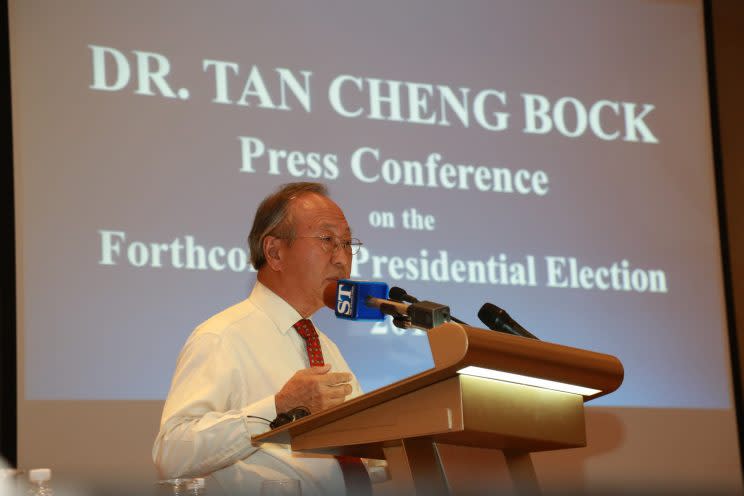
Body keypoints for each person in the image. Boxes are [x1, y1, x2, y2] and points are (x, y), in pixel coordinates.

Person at [153, 182, 375, 495]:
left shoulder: (325, 346)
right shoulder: (222, 337)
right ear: (274, 252)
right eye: (327, 240)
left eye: (348, 242)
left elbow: (356, 457)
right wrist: (278, 408)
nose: (342, 258)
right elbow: (171, 453)